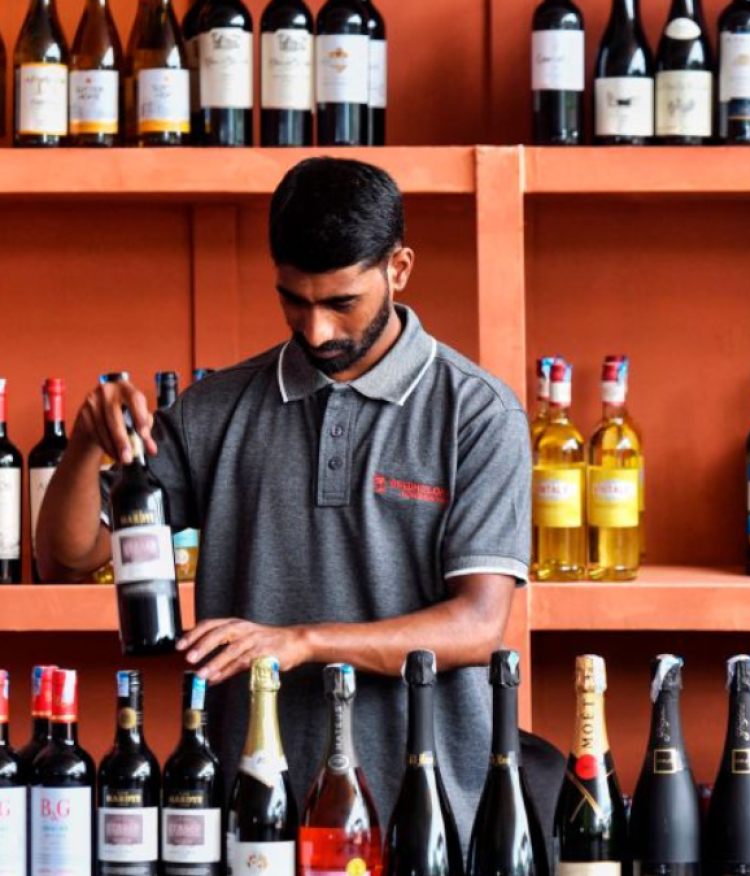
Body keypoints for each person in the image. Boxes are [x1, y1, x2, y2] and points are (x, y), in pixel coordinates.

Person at [36, 157, 531, 841]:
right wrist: (87, 445)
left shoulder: (476, 414)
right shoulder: (215, 412)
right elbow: (71, 557)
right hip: (254, 814)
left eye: (340, 303)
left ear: (400, 268)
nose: (317, 331)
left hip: (425, 817)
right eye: (294, 301)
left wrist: (300, 641)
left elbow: (478, 626)